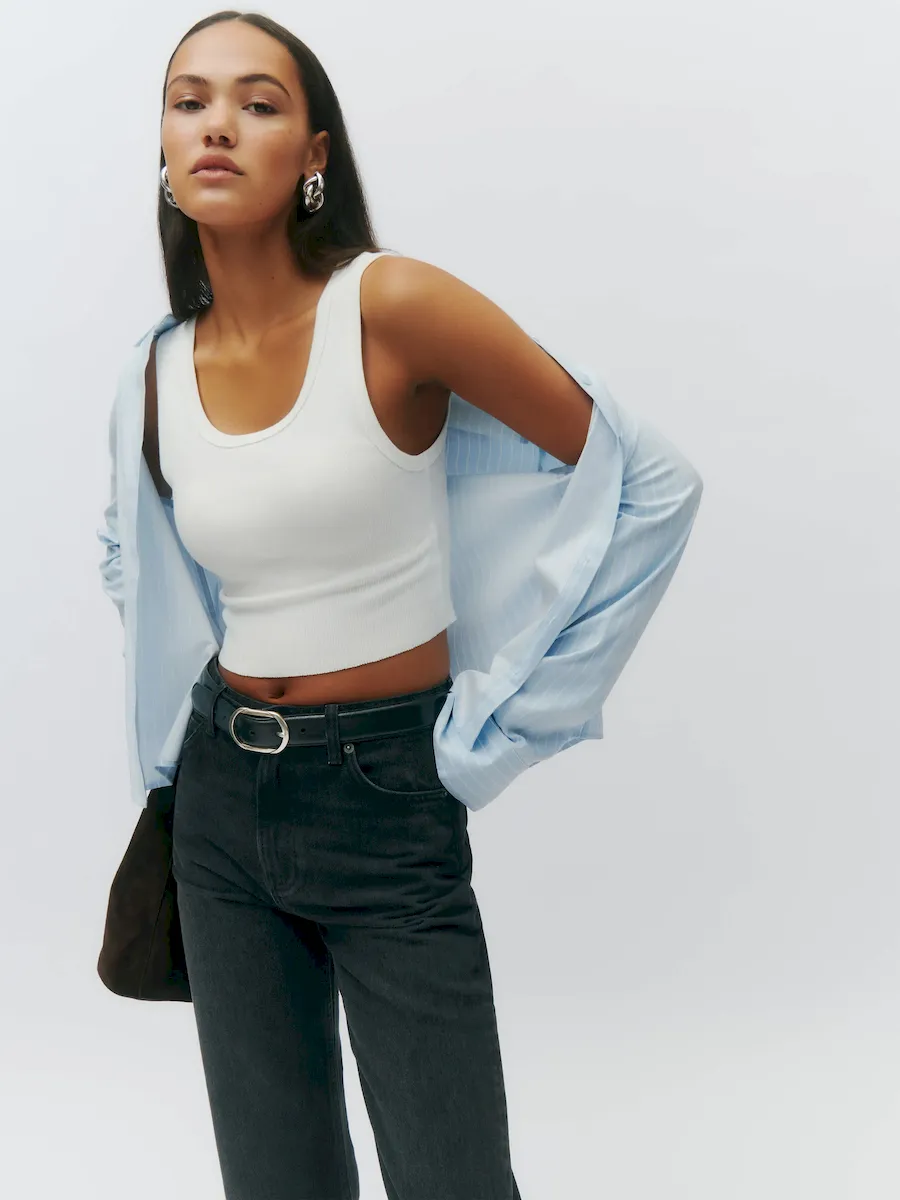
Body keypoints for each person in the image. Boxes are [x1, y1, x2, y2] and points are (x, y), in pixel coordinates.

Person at [98, 11, 703, 1200]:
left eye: (258, 103)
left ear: (313, 154)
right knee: (277, 1183)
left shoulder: (392, 306)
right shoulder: (154, 370)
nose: (217, 124)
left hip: (383, 795)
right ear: (163, 146)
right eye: (189, 100)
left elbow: (648, 484)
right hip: (220, 807)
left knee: (453, 1179)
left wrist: (506, 721)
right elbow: (136, 558)